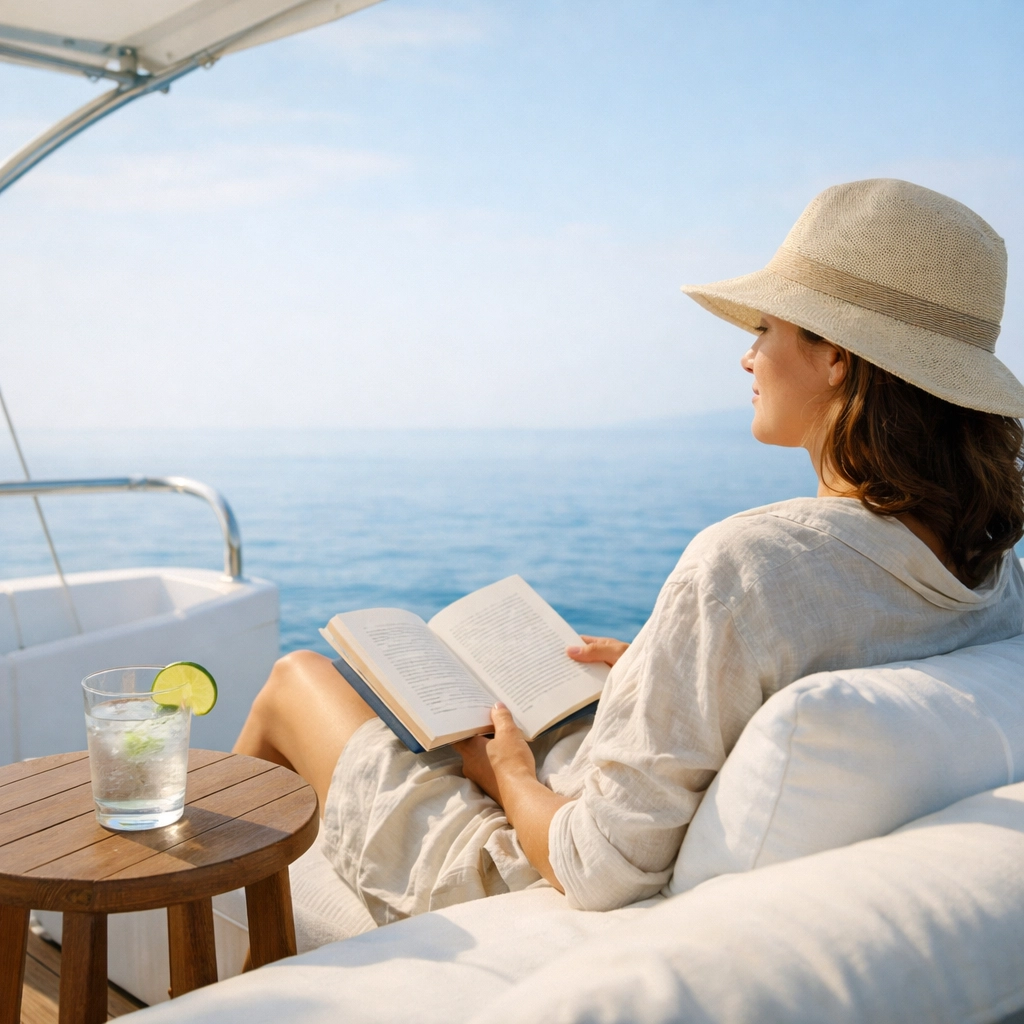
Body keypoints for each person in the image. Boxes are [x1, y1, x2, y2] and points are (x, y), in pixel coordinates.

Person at [235, 179, 1024, 921]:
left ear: (836, 355)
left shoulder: (750, 566)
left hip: (524, 871)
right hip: (645, 817)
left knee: (294, 679)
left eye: (764, 329)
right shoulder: (988, 570)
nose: (747, 357)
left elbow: (596, 864)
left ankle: (195, 966)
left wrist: (502, 773)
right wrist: (659, 669)